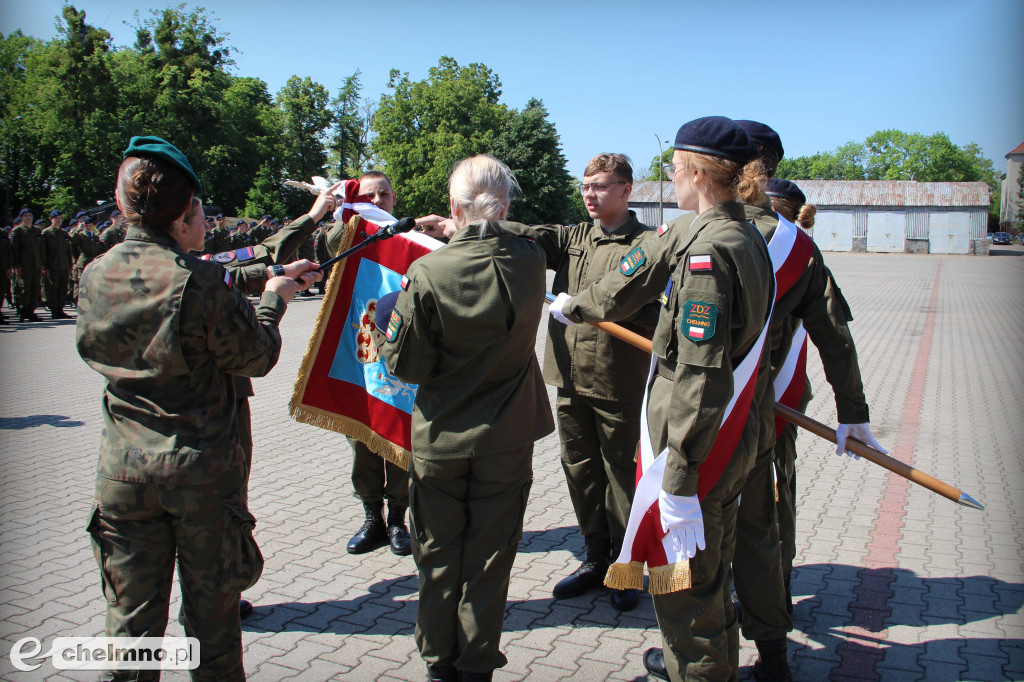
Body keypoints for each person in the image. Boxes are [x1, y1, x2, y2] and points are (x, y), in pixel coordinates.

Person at [77, 135, 321, 682]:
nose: (205, 222)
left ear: (123, 206)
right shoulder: (200, 281)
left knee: (131, 628)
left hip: (123, 474)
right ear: (186, 212)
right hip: (201, 477)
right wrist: (274, 301)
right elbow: (256, 356)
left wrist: (261, 278)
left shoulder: (94, 275)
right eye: (201, 211)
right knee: (212, 631)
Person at [550, 117, 774, 681]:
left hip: (698, 448)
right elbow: (636, 271)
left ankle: (696, 670)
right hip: (728, 434)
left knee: (686, 590)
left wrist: (677, 477)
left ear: (697, 173)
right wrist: (579, 304)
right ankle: (707, 666)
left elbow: (698, 376)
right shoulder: (726, 231)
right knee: (710, 575)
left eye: (674, 169)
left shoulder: (708, 257)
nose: (670, 179)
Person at [379, 155, 553, 682]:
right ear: (503, 206)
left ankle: (439, 662)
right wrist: (470, 224)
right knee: (490, 559)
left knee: (436, 557)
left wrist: (391, 318)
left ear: (454, 206)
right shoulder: (531, 260)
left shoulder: (429, 270)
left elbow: (405, 365)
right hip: (507, 435)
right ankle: (477, 664)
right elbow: (509, 235)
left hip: (443, 437)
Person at [502, 153, 657, 612]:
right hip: (569, 377)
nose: (591, 195)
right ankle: (595, 558)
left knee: (622, 477)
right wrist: (472, 223)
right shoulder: (573, 237)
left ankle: (626, 568)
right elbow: (527, 234)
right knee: (581, 471)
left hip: (619, 380)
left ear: (627, 190)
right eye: (586, 186)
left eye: (602, 186)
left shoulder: (649, 244)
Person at [324, 170, 445, 557]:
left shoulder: (412, 240)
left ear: (395, 199)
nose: (379, 203)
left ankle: (397, 519)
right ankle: (370, 516)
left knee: (398, 436)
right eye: (370, 197)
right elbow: (330, 247)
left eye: (385, 196)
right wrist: (342, 213)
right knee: (362, 440)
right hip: (360, 354)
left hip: (399, 352)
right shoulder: (352, 231)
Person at [10, 208, 44, 322]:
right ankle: (22, 311)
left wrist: (42, 264)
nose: (28, 217)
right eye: (25, 216)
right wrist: (16, 265)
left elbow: (41, 249)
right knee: (24, 289)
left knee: (35, 289)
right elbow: (14, 250)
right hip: (24, 265)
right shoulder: (18, 231)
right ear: (21, 218)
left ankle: (31, 311)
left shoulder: (36, 231)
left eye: (30, 215)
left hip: (36, 264)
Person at [39, 209, 73, 319]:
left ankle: (60, 309)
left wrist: (69, 266)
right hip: (52, 265)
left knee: (63, 288)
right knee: (53, 288)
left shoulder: (64, 233)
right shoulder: (47, 233)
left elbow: (68, 251)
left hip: (63, 265)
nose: (58, 220)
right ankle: (54, 310)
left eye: (60, 218)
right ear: (51, 219)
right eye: (56, 218)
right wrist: (44, 266)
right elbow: (44, 251)